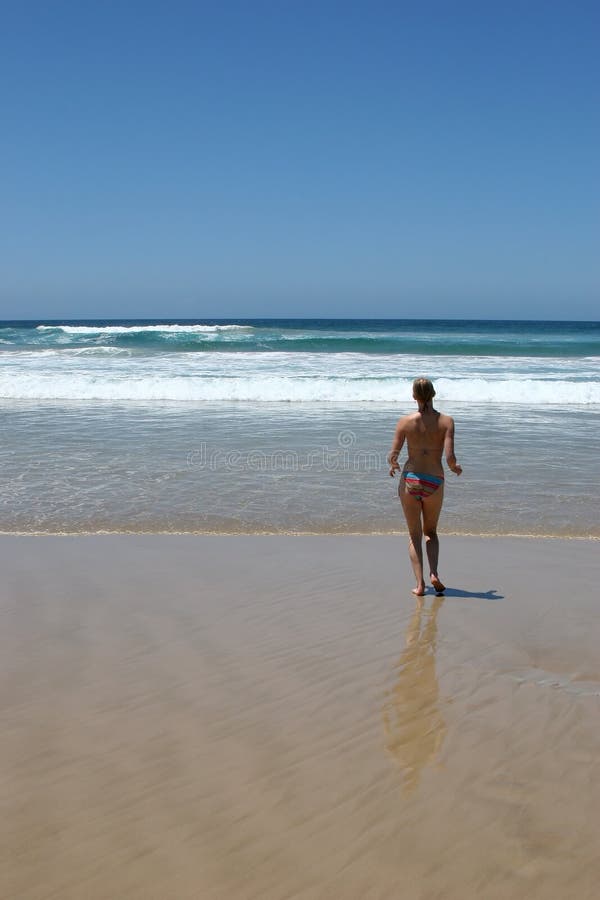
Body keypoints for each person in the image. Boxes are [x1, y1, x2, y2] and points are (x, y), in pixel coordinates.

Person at [388, 378, 462, 596]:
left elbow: (393, 454)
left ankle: (420, 585)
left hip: (411, 480)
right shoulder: (447, 421)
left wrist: (393, 465)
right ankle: (435, 574)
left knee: (414, 535)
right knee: (431, 532)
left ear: (414, 396)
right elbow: (450, 457)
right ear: (434, 393)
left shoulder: (405, 422)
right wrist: (455, 468)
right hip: (434, 481)